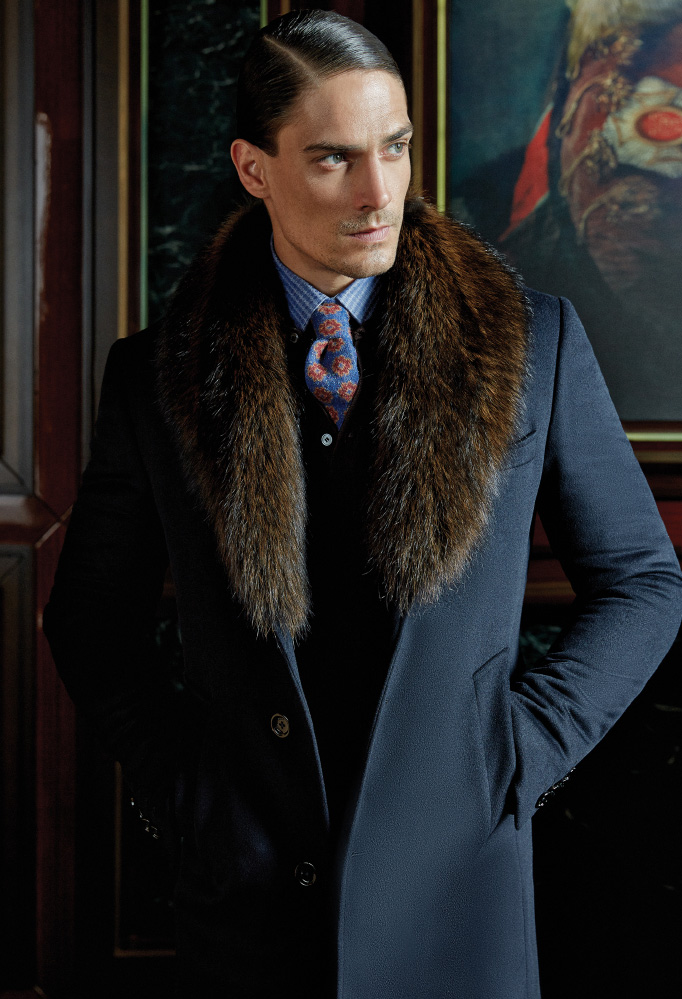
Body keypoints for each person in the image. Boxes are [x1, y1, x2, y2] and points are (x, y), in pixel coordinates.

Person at [43, 9, 682, 998]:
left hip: (458, 893)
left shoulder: (533, 340)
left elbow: (642, 579)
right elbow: (90, 616)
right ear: (254, 169)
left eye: (395, 146)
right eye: (335, 158)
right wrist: (189, 790)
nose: (380, 192)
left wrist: (520, 751)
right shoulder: (155, 372)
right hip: (251, 906)